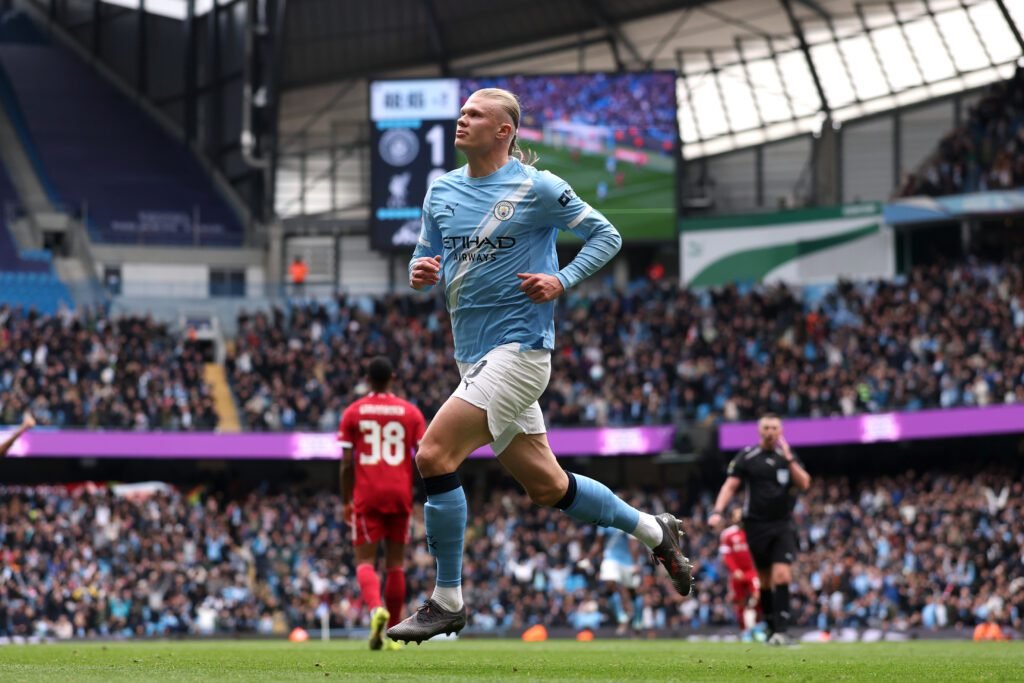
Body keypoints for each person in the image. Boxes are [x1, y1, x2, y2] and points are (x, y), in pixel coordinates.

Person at [387, 87, 692, 645]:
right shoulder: (441, 191)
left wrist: (562, 279)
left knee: (433, 453)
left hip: (521, 351)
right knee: (549, 487)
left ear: (504, 130)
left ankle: (446, 601)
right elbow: (424, 252)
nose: (462, 119)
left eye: (475, 114)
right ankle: (655, 530)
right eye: (462, 112)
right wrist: (419, 270)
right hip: (473, 357)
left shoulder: (538, 187)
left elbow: (607, 234)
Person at [338, 357, 427, 651]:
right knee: (395, 565)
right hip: (399, 494)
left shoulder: (353, 412)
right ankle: (394, 633)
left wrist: (346, 500)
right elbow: (424, 457)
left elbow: (347, 464)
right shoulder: (410, 413)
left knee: (364, 561)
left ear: (367, 379)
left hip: (367, 494)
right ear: (393, 377)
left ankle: (377, 609)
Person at [709, 414, 811, 646]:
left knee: (782, 575)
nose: (770, 432)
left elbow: (804, 483)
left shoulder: (787, 457)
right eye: (766, 427)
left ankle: (783, 631)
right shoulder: (747, 456)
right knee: (764, 581)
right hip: (755, 525)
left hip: (782, 524)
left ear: (780, 431)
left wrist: (789, 459)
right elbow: (730, 486)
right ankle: (772, 629)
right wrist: (717, 511)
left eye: (774, 428)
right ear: (759, 430)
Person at [719, 508, 760, 640]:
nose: (740, 518)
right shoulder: (727, 534)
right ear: (732, 518)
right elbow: (726, 555)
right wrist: (734, 569)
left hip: (751, 571)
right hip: (737, 573)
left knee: (758, 596)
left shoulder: (753, 531)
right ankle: (745, 631)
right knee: (740, 602)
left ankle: (757, 627)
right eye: (737, 515)